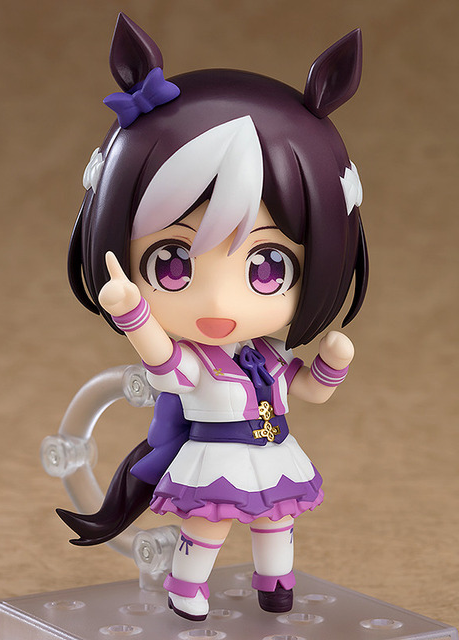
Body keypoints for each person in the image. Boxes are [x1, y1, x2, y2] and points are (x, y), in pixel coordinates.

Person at [59, 13, 368, 622]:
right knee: (208, 525)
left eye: (268, 267)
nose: (220, 306)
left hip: (272, 453)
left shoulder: (268, 358)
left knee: (277, 521)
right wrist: (133, 312)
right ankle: (186, 586)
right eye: (173, 263)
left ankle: (276, 582)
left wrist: (332, 363)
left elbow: (309, 390)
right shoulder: (202, 365)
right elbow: (165, 363)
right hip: (216, 457)